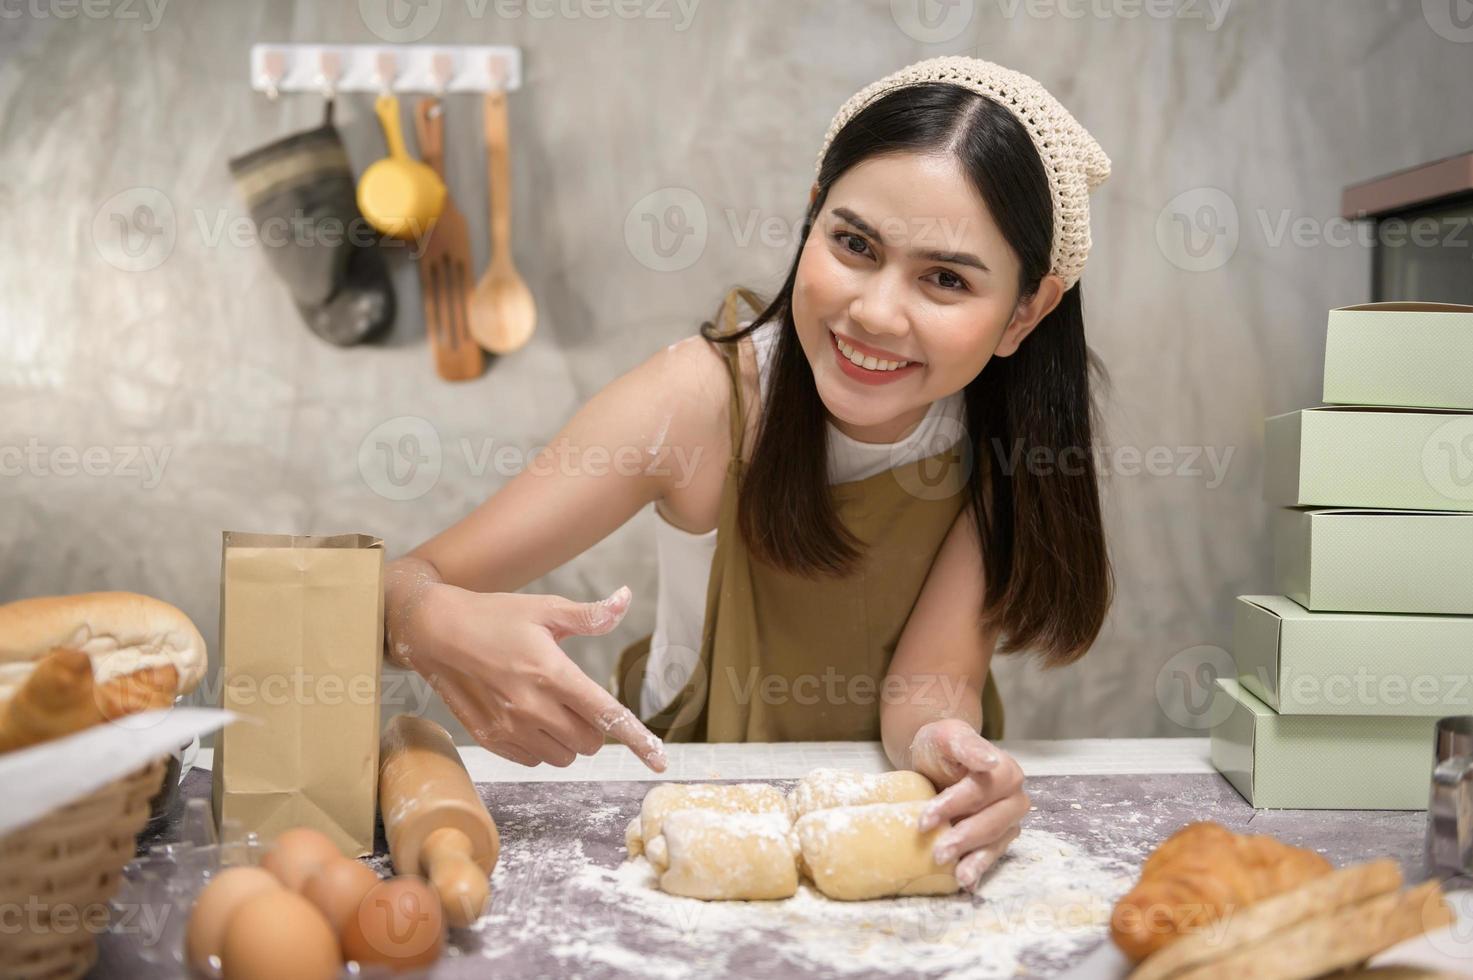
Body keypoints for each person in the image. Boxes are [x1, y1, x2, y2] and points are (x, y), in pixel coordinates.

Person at [382, 55, 1113, 892]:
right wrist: (428, 619)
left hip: (878, 816)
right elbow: (396, 584)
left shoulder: (999, 432)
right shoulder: (699, 400)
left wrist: (945, 746)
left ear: (1027, 311)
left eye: (945, 279)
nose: (875, 311)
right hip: (689, 797)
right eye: (853, 245)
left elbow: (927, 689)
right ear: (810, 221)